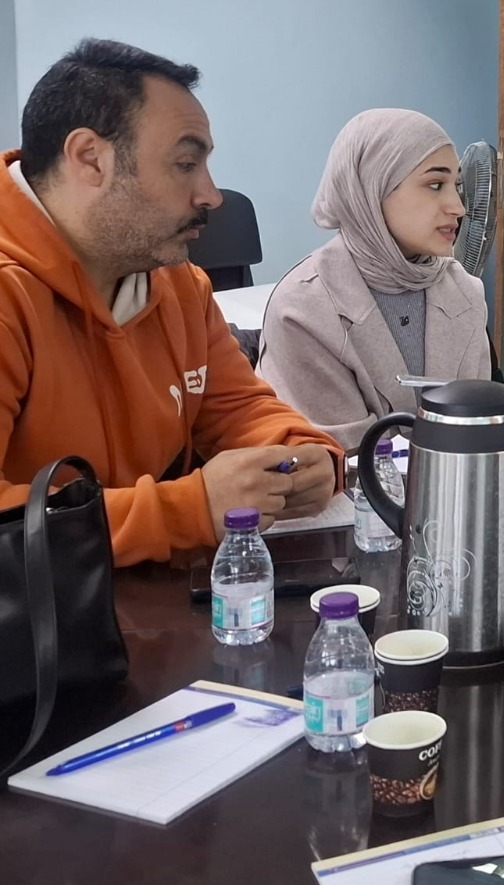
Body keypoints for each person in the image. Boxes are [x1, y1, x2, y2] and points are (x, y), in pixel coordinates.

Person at [0, 40, 340, 565]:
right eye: (185, 164)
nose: (211, 196)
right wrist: (187, 509)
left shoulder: (178, 284)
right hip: (38, 610)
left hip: (147, 596)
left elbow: (236, 409)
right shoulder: (10, 296)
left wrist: (301, 451)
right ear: (90, 159)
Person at [259, 109, 490, 450]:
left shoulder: (465, 291)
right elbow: (342, 455)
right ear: (371, 188)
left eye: (456, 186)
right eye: (435, 185)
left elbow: (479, 425)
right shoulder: (302, 309)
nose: (458, 207)